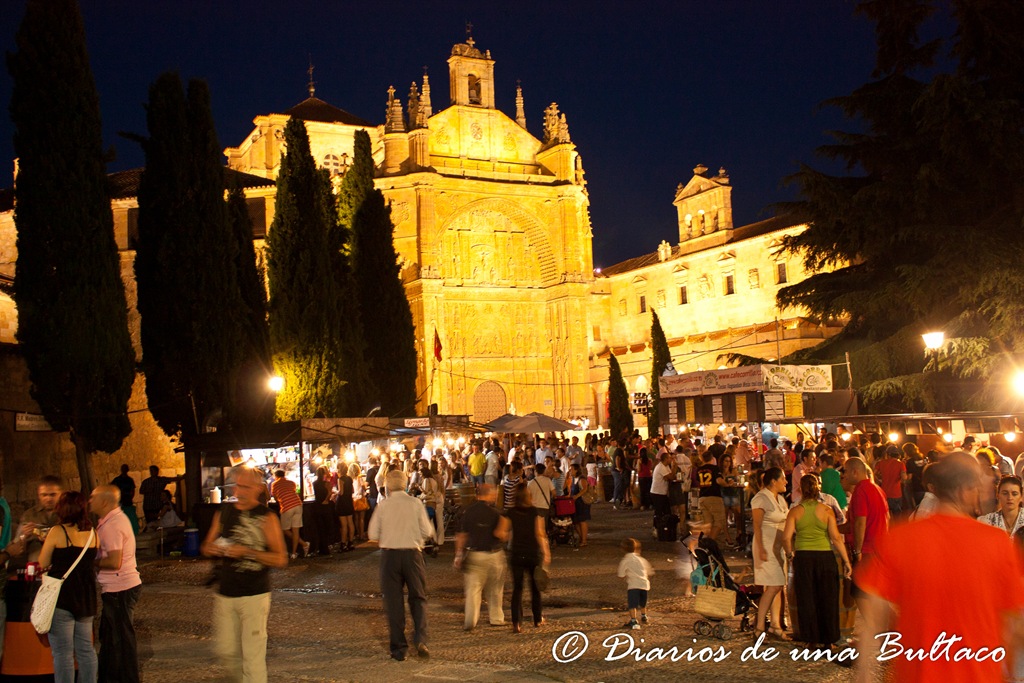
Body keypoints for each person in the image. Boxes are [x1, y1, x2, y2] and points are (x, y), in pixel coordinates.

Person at [857, 453, 1024, 682]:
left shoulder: (902, 537)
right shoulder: (996, 541)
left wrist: (865, 676)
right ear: (966, 489)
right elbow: (1014, 622)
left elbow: (872, 616)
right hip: (979, 674)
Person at [201, 467, 288, 683]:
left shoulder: (267, 518)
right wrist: (212, 548)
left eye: (245, 487)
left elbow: (280, 558)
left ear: (259, 489)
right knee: (227, 651)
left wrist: (248, 552)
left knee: (253, 657)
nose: (239, 492)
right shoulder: (224, 512)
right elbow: (206, 545)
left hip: (254, 595)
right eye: (237, 486)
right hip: (226, 594)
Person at [368, 469, 434, 660]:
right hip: (412, 555)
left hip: (390, 556)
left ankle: (399, 649)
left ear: (387, 486)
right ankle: (421, 638)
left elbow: (372, 534)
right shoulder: (415, 503)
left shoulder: (384, 506)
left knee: (394, 602)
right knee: (418, 598)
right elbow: (427, 531)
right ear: (405, 484)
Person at [781, 475, 852, 648]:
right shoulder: (826, 510)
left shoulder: (795, 511)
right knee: (828, 597)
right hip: (824, 556)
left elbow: (786, 537)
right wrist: (846, 561)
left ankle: (811, 639)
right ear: (817, 489)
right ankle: (828, 639)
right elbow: (835, 537)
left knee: (807, 598)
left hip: (803, 557)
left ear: (801, 490)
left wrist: (790, 555)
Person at [38, 491, 100, 683]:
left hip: (62, 598)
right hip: (86, 597)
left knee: (63, 653)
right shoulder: (93, 533)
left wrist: (45, 542)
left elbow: (43, 562)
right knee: (86, 651)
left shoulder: (58, 531)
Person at [90, 485, 141, 683]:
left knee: (122, 640)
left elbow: (113, 561)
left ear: (104, 501)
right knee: (111, 639)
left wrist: (90, 562)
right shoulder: (111, 520)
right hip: (117, 587)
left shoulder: (112, 525)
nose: (89, 501)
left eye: (93, 497)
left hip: (120, 588)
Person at [454, 484, 509, 631]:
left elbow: (461, 535)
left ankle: (470, 620)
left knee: (473, 590)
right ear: (490, 495)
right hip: (494, 554)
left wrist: (459, 555)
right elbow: (500, 535)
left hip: (474, 554)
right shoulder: (496, 513)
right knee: (495, 589)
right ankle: (496, 618)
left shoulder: (468, 512)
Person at [750, 467, 789, 640]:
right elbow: (757, 526)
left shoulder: (780, 499)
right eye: (783, 479)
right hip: (765, 544)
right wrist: (761, 548)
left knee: (779, 586)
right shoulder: (760, 498)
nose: (786, 482)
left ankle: (775, 624)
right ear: (773, 481)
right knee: (773, 586)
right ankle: (759, 626)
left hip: (779, 546)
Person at [844, 456, 888, 604]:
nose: (844, 475)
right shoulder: (877, 489)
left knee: (861, 594)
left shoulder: (861, 491)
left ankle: (878, 625)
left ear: (855, 472)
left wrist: (857, 551)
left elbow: (859, 523)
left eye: (846, 471)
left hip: (867, 549)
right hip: (879, 547)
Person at [506, 483, 550, 633]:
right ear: (529, 496)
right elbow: (540, 534)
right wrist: (546, 553)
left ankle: (516, 623)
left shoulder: (510, 513)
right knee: (535, 588)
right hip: (532, 553)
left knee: (517, 589)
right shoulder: (535, 512)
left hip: (516, 553)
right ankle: (537, 619)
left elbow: (502, 533)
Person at [7, 474, 62, 565]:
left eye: (52, 495)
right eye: (44, 495)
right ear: (38, 495)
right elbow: (18, 551)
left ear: (61, 494)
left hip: (62, 566)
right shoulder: (29, 515)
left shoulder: (68, 514)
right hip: (37, 566)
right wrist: (24, 536)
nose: (48, 499)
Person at [617, 538, 654, 630]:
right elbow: (649, 570)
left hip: (633, 585)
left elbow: (621, 574)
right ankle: (644, 615)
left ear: (623, 549)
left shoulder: (625, 560)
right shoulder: (641, 559)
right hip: (644, 584)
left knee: (632, 604)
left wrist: (625, 576)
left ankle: (633, 620)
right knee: (643, 602)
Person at [270, 470, 306, 560]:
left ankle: (303, 544)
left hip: (287, 506)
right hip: (298, 504)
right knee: (295, 530)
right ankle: (294, 553)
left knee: (284, 529)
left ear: (276, 476)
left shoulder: (274, 484)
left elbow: (275, 497)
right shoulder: (292, 482)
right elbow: (294, 492)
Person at [695, 452, 727, 543]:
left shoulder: (699, 469)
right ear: (712, 458)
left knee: (707, 523)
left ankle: (703, 542)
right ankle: (709, 543)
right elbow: (719, 480)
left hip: (702, 497)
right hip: (714, 496)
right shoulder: (715, 468)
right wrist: (727, 484)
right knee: (719, 521)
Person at [874, 445, 907, 516]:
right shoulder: (901, 464)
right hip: (896, 494)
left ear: (888, 454)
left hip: (884, 493)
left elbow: (873, 474)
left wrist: (879, 480)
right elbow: (904, 478)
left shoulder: (881, 463)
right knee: (897, 517)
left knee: (886, 516)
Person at [111, 465, 140, 535]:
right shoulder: (117, 480)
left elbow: (133, 490)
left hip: (127, 501)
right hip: (120, 501)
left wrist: (130, 497)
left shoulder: (129, 480)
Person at [311, 467, 333, 556]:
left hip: (317, 506)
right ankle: (325, 548)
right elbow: (330, 493)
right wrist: (326, 499)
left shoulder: (315, 483)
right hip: (325, 506)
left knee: (320, 528)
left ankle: (321, 548)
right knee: (326, 527)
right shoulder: (327, 483)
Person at [569, 464, 592, 547]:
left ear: (576, 470)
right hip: (575, 502)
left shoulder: (581, 478)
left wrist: (577, 496)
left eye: (571, 469)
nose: (570, 471)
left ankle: (584, 540)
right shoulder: (573, 479)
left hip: (582, 502)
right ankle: (582, 537)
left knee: (582, 520)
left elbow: (585, 489)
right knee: (576, 521)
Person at [336, 465, 355, 552]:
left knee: (344, 524)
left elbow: (341, 492)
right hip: (349, 501)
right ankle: (351, 542)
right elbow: (352, 490)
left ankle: (343, 543)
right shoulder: (349, 479)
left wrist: (334, 493)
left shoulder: (340, 479)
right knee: (350, 523)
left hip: (342, 502)